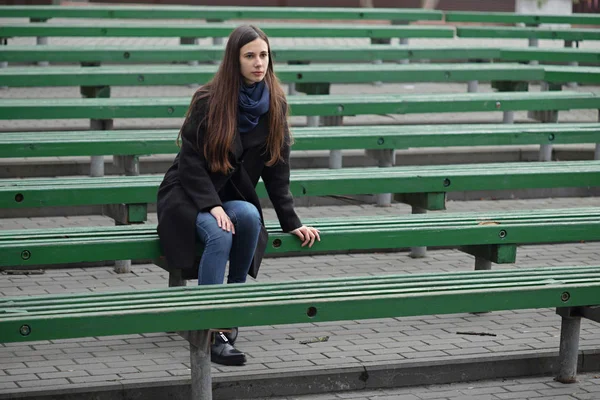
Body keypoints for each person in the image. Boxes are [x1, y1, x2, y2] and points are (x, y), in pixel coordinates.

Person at [156, 25, 321, 366]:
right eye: (250, 56)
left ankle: (229, 308)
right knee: (220, 231)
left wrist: (292, 222)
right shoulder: (209, 100)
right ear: (235, 60)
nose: (258, 63)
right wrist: (212, 205)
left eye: (263, 55)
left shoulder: (275, 105)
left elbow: (278, 173)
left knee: (247, 215)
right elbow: (189, 164)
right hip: (187, 194)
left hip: (227, 194)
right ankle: (208, 325)